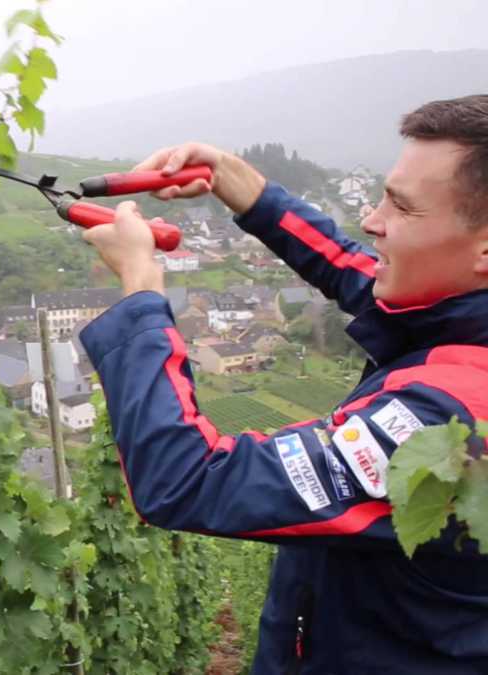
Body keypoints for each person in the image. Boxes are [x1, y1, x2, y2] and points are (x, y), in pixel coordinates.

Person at [76, 94, 488, 674]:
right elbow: (349, 268)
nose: (372, 220)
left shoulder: (451, 423)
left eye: (402, 207)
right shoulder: (456, 312)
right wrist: (231, 178)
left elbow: (188, 480)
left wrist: (142, 291)